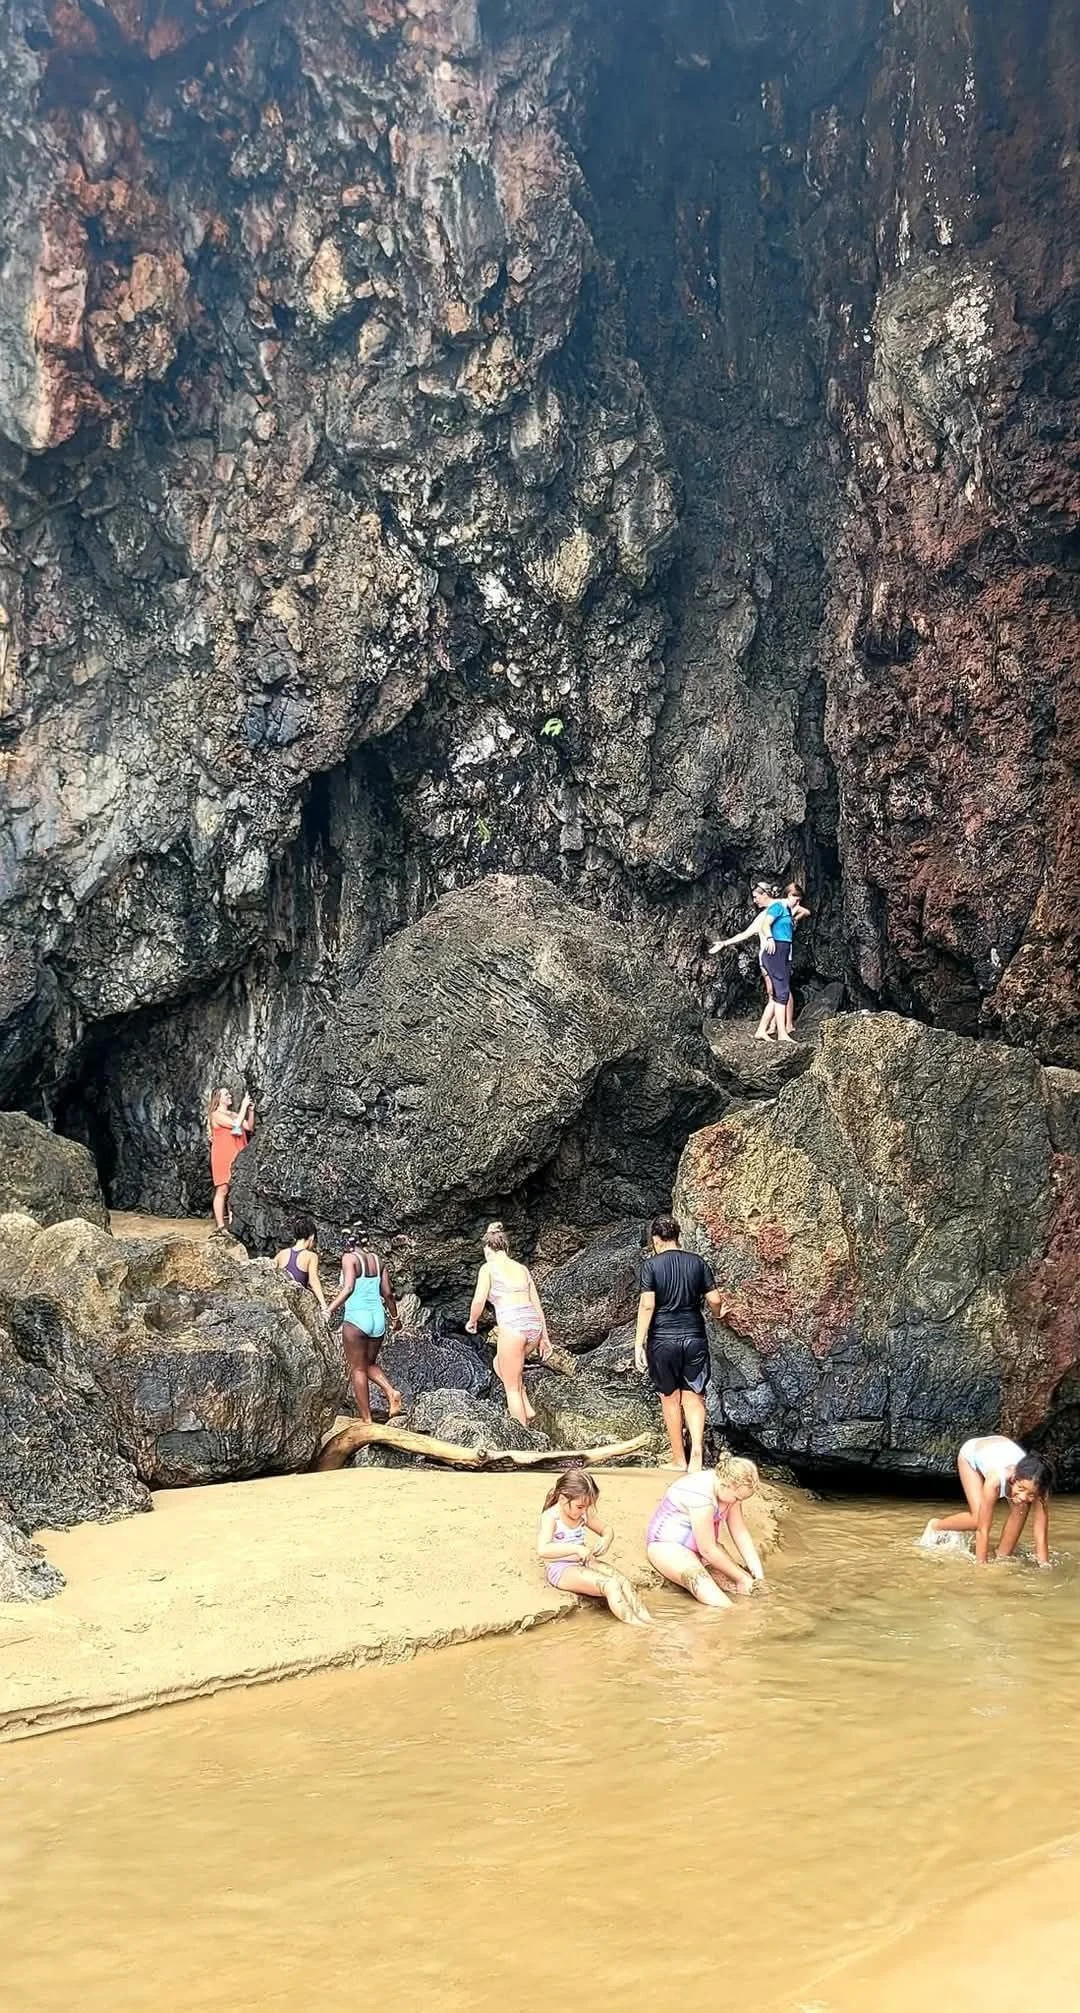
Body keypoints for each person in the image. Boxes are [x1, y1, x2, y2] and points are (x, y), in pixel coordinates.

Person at [635, 1213, 730, 1471]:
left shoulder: (651, 1266)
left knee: (669, 1397)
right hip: (694, 1337)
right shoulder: (697, 1263)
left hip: (663, 1341)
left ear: (656, 1239)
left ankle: (679, 1459)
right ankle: (696, 1454)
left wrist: (638, 1343)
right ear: (678, 1236)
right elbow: (715, 1299)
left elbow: (647, 1305)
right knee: (694, 1396)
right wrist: (719, 1313)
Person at [537, 1469, 652, 1626]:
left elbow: (607, 1529)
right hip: (561, 1567)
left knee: (623, 1581)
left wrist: (606, 1539)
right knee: (610, 1585)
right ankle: (636, 1625)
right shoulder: (551, 1517)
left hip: (585, 1560)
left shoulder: (583, 1511)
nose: (584, 1511)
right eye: (580, 1507)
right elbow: (543, 1550)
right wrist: (576, 1549)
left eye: (587, 1506)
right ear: (563, 1499)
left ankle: (648, 1620)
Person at [646, 1457, 764, 1607]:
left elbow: (739, 1531)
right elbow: (707, 1550)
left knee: (752, 1590)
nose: (737, 1502)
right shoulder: (700, 1495)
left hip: (705, 1549)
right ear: (724, 1485)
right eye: (737, 1498)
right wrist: (742, 1578)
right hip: (669, 1548)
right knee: (721, 1603)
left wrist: (758, 1575)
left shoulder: (730, 1492)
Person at [466, 1222, 551, 1427]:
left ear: (488, 1249)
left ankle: (522, 1435)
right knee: (499, 1364)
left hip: (513, 1326)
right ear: (506, 1248)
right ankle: (527, 1408)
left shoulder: (488, 1268)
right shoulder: (521, 1269)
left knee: (511, 1387)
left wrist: (472, 1320)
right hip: (533, 1326)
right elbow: (536, 1304)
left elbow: (479, 1300)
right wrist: (544, 1338)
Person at [919, 1437, 1052, 1565]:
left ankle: (1002, 1555)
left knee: (1021, 1507)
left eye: (1031, 1494)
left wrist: (1045, 1566)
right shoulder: (995, 1481)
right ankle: (936, 1525)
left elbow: (1040, 1533)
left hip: (1001, 1447)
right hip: (971, 1454)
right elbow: (983, 1530)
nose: (1023, 1496)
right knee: (978, 1520)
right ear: (1014, 1478)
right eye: (1021, 1488)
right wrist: (981, 1567)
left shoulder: (1040, 1485)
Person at [326, 1230, 402, 1423]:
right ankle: (391, 1392)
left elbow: (349, 1288)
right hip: (377, 1318)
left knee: (358, 1369)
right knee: (368, 1364)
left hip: (356, 1319)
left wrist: (329, 1310)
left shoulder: (349, 1259)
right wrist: (395, 1318)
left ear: (349, 1244)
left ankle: (367, 1420)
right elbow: (388, 1294)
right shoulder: (378, 1260)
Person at [708, 881, 797, 1044]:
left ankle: (766, 1029)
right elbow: (748, 933)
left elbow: (795, 900)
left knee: (778, 994)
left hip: (782, 953)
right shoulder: (769, 913)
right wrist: (724, 943)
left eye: (756, 897)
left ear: (765, 894)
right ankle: (781, 1031)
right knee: (779, 993)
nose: (754, 901)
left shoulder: (781, 905)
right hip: (772, 953)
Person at [208, 1086, 254, 1228]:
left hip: (237, 1152)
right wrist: (243, 1106)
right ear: (218, 1098)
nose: (230, 1096)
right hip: (223, 1154)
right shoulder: (216, 1115)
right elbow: (236, 1125)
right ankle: (221, 1225)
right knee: (223, 1188)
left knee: (235, 1189)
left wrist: (250, 1111)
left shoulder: (234, 1114)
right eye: (226, 1094)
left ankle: (234, 1223)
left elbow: (249, 1127)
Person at [274, 1219, 328, 1315]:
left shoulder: (281, 1254)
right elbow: (314, 1280)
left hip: (280, 1304)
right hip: (297, 1306)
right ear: (312, 1237)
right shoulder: (311, 1256)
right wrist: (324, 1305)